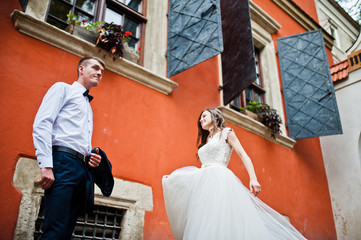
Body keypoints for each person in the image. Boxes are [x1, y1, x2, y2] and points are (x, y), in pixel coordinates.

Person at [162, 108, 307, 240]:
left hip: (220, 179)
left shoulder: (227, 133)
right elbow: (202, 169)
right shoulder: (208, 140)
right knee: (206, 221)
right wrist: (175, 178)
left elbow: (244, 155)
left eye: (204, 115)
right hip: (205, 185)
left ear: (214, 116)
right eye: (200, 118)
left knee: (221, 219)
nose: (201, 119)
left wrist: (253, 178)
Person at [33, 56, 105, 239]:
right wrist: (46, 165)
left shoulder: (88, 106)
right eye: (96, 67)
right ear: (81, 69)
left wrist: (91, 157)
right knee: (55, 228)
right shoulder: (62, 89)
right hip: (62, 163)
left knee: (67, 230)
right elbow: (42, 124)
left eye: (102, 71)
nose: (99, 73)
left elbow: (75, 138)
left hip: (81, 168)